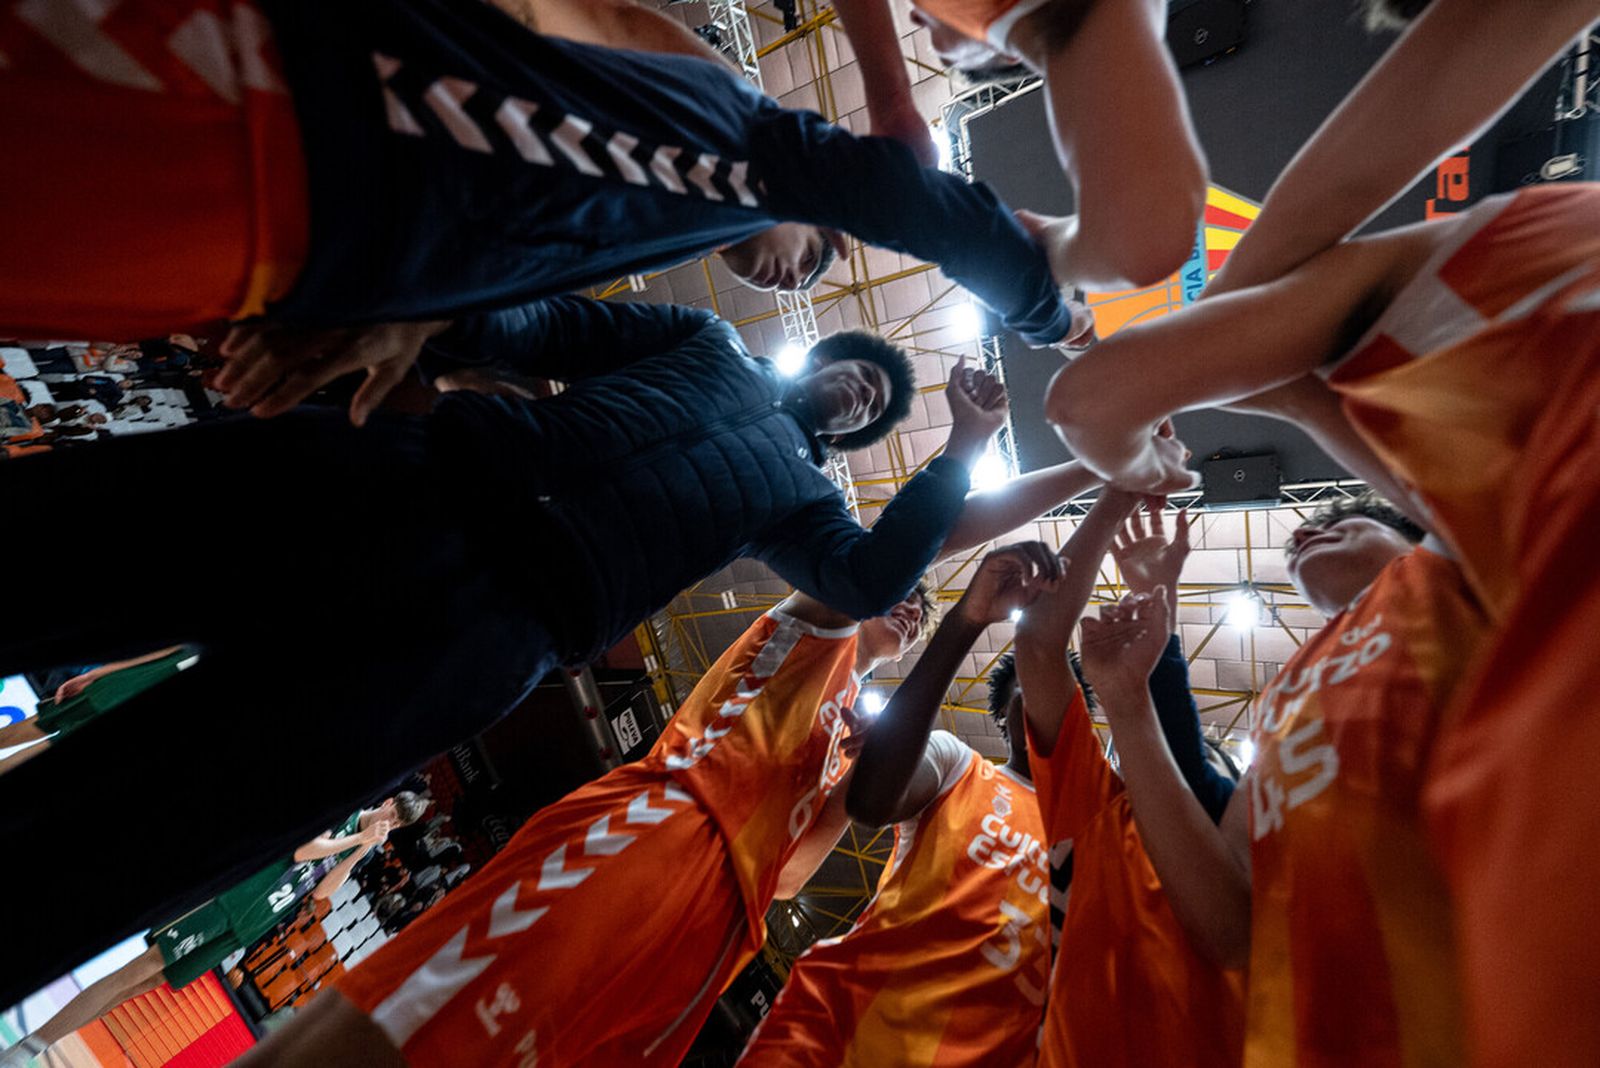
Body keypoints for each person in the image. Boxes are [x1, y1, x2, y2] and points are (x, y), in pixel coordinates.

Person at [0, 298, 1124, 1006]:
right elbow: (545, 332)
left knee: (202, 797)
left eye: (874, 401)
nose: (857, 389)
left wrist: (964, 451)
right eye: (857, 370)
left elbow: (873, 577)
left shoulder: (799, 500)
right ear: (817, 356)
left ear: (849, 433)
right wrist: (424, 321)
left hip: (500, 626)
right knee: (103, 538)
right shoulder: (708, 340)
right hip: (419, 483)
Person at [2, 0, 1087, 405]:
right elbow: (909, 203)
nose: (791, 276)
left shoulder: (657, 208)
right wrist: (1054, 309)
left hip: (247, 250)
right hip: (247, 113)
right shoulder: (737, 127)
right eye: (815, 259)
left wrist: (404, 304)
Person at [231, 547, 1026, 1066]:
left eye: (921, 610)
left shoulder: (855, 738)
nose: (911, 607)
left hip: (717, 932)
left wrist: (850, 776)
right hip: (667, 832)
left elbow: (787, 882)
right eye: (905, 591)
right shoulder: (818, 635)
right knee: (440, 1020)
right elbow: (885, 559)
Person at [737, 499, 1232, 1066]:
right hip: (840, 1037)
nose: (1035, 702)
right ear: (1003, 717)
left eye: (1049, 695)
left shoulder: (1114, 820)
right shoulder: (957, 763)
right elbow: (874, 799)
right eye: (1023, 693)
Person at [1071, 496, 1492, 1066]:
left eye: (1344, 521)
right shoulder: (1280, 698)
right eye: (1302, 533)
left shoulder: (1461, 571)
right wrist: (1126, 699)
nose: (1309, 533)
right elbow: (1227, 923)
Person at [1008, 493, 1242, 1067]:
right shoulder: (1096, 806)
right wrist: (1116, 493)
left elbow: (1182, 752)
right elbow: (1038, 645)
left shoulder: (1245, 856)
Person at [0, 795, 428, 1067]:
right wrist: (354, 840)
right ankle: (29, 1044)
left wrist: (361, 851)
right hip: (236, 896)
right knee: (135, 969)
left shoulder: (363, 847)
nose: (389, 821)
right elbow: (302, 850)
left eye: (397, 823)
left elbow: (321, 894)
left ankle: (34, 1047)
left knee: (141, 986)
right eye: (392, 813)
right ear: (387, 802)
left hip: (253, 921)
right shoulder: (346, 810)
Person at [832, 0, 1206, 293]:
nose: (913, 17)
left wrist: (891, 102)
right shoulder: (1080, 26)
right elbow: (1145, 242)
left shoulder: (1077, 32)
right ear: (1005, 51)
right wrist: (1047, 243)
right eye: (949, 59)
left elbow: (1145, 242)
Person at [0, 647, 191, 777]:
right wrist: (94, 675)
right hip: (134, 681)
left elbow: (169, 648)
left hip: (128, 681)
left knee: (37, 725)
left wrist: (94, 674)